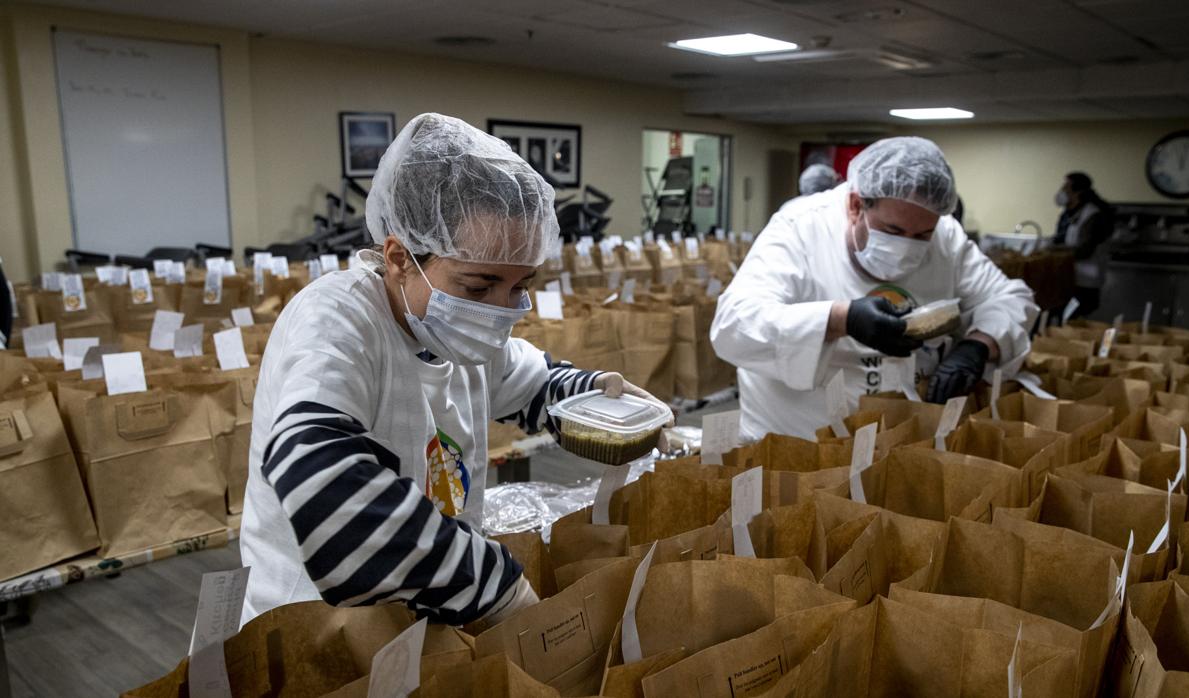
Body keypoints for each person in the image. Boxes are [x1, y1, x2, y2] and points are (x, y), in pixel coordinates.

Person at [240, 113, 661, 625]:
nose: (501, 310)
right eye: (478, 287)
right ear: (398, 258)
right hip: (321, 629)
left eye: (520, 285)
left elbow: (530, 384)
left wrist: (594, 396)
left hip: (425, 618)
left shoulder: (451, 330)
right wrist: (489, 583)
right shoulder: (337, 320)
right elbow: (323, 484)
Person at [711, 137, 1036, 442]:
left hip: (900, 439)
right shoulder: (800, 229)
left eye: (922, 235)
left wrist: (979, 345)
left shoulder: (946, 237)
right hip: (797, 441)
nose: (907, 246)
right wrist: (840, 319)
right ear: (855, 205)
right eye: (892, 230)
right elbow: (734, 325)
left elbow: (1010, 298)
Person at [1052, 172, 1114, 317]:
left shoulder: (1092, 215)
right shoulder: (1068, 213)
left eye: (1065, 187)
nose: (1061, 191)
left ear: (1077, 191)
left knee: (1074, 319)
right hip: (1070, 278)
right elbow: (1060, 239)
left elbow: (1085, 250)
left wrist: (1056, 251)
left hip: (1086, 281)